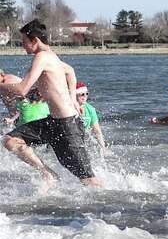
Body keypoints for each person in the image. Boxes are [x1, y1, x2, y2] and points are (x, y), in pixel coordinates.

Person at [0, 20, 100, 187]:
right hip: (53, 121)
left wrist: (71, 99)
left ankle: (113, 208)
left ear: (35, 40)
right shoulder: (51, 56)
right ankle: (47, 173)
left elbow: (21, 89)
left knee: (88, 180)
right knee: (11, 139)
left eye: (24, 41)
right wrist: (72, 98)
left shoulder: (43, 57)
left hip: (68, 125)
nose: (22, 46)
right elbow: (70, 72)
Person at [75, 82, 110, 153]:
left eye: (86, 94)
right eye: (82, 94)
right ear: (75, 95)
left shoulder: (90, 109)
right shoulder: (69, 108)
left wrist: (103, 148)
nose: (85, 96)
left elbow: (97, 130)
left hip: (84, 138)